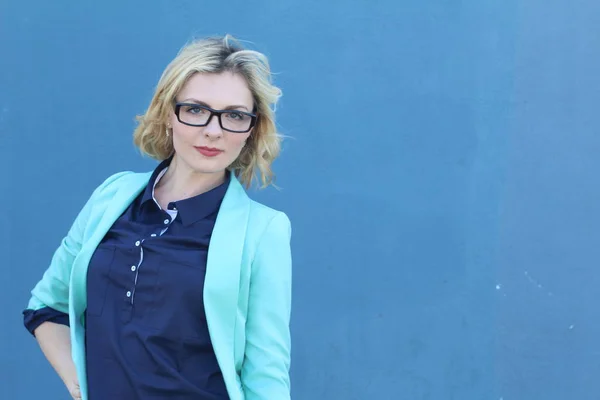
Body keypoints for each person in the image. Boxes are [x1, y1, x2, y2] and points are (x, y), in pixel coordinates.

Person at [22, 35, 292, 400]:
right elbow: (46, 307)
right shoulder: (111, 196)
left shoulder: (263, 231)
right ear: (169, 113)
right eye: (196, 109)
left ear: (250, 129)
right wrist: (79, 386)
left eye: (234, 115)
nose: (214, 130)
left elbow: (267, 375)